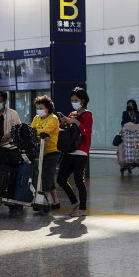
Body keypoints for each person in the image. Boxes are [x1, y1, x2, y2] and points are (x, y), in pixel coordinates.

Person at [57, 87, 93, 217]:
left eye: (76, 100)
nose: (73, 102)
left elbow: (87, 132)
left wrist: (76, 122)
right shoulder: (72, 114)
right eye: (72, 100)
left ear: (83, 100)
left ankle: (82, 209)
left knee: (78, 179)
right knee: (61, 179)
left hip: (81, 151)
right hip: (69, 150)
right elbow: (64, 129)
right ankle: (74, 202)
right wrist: (64, 122)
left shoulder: (87, 114)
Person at [31, 95, 61, 210]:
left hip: (52, 151)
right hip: (41, 151)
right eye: (37, 108)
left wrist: (36, 132)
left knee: (46, 175)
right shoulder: (36, 118)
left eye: (41, 108)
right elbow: (31, 131)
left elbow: (44, 132)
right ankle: (56, 202)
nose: (39, 110)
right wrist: (36, 132)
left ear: (48, 108)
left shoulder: (53, 118)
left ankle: (42, 202)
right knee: (47, 176)